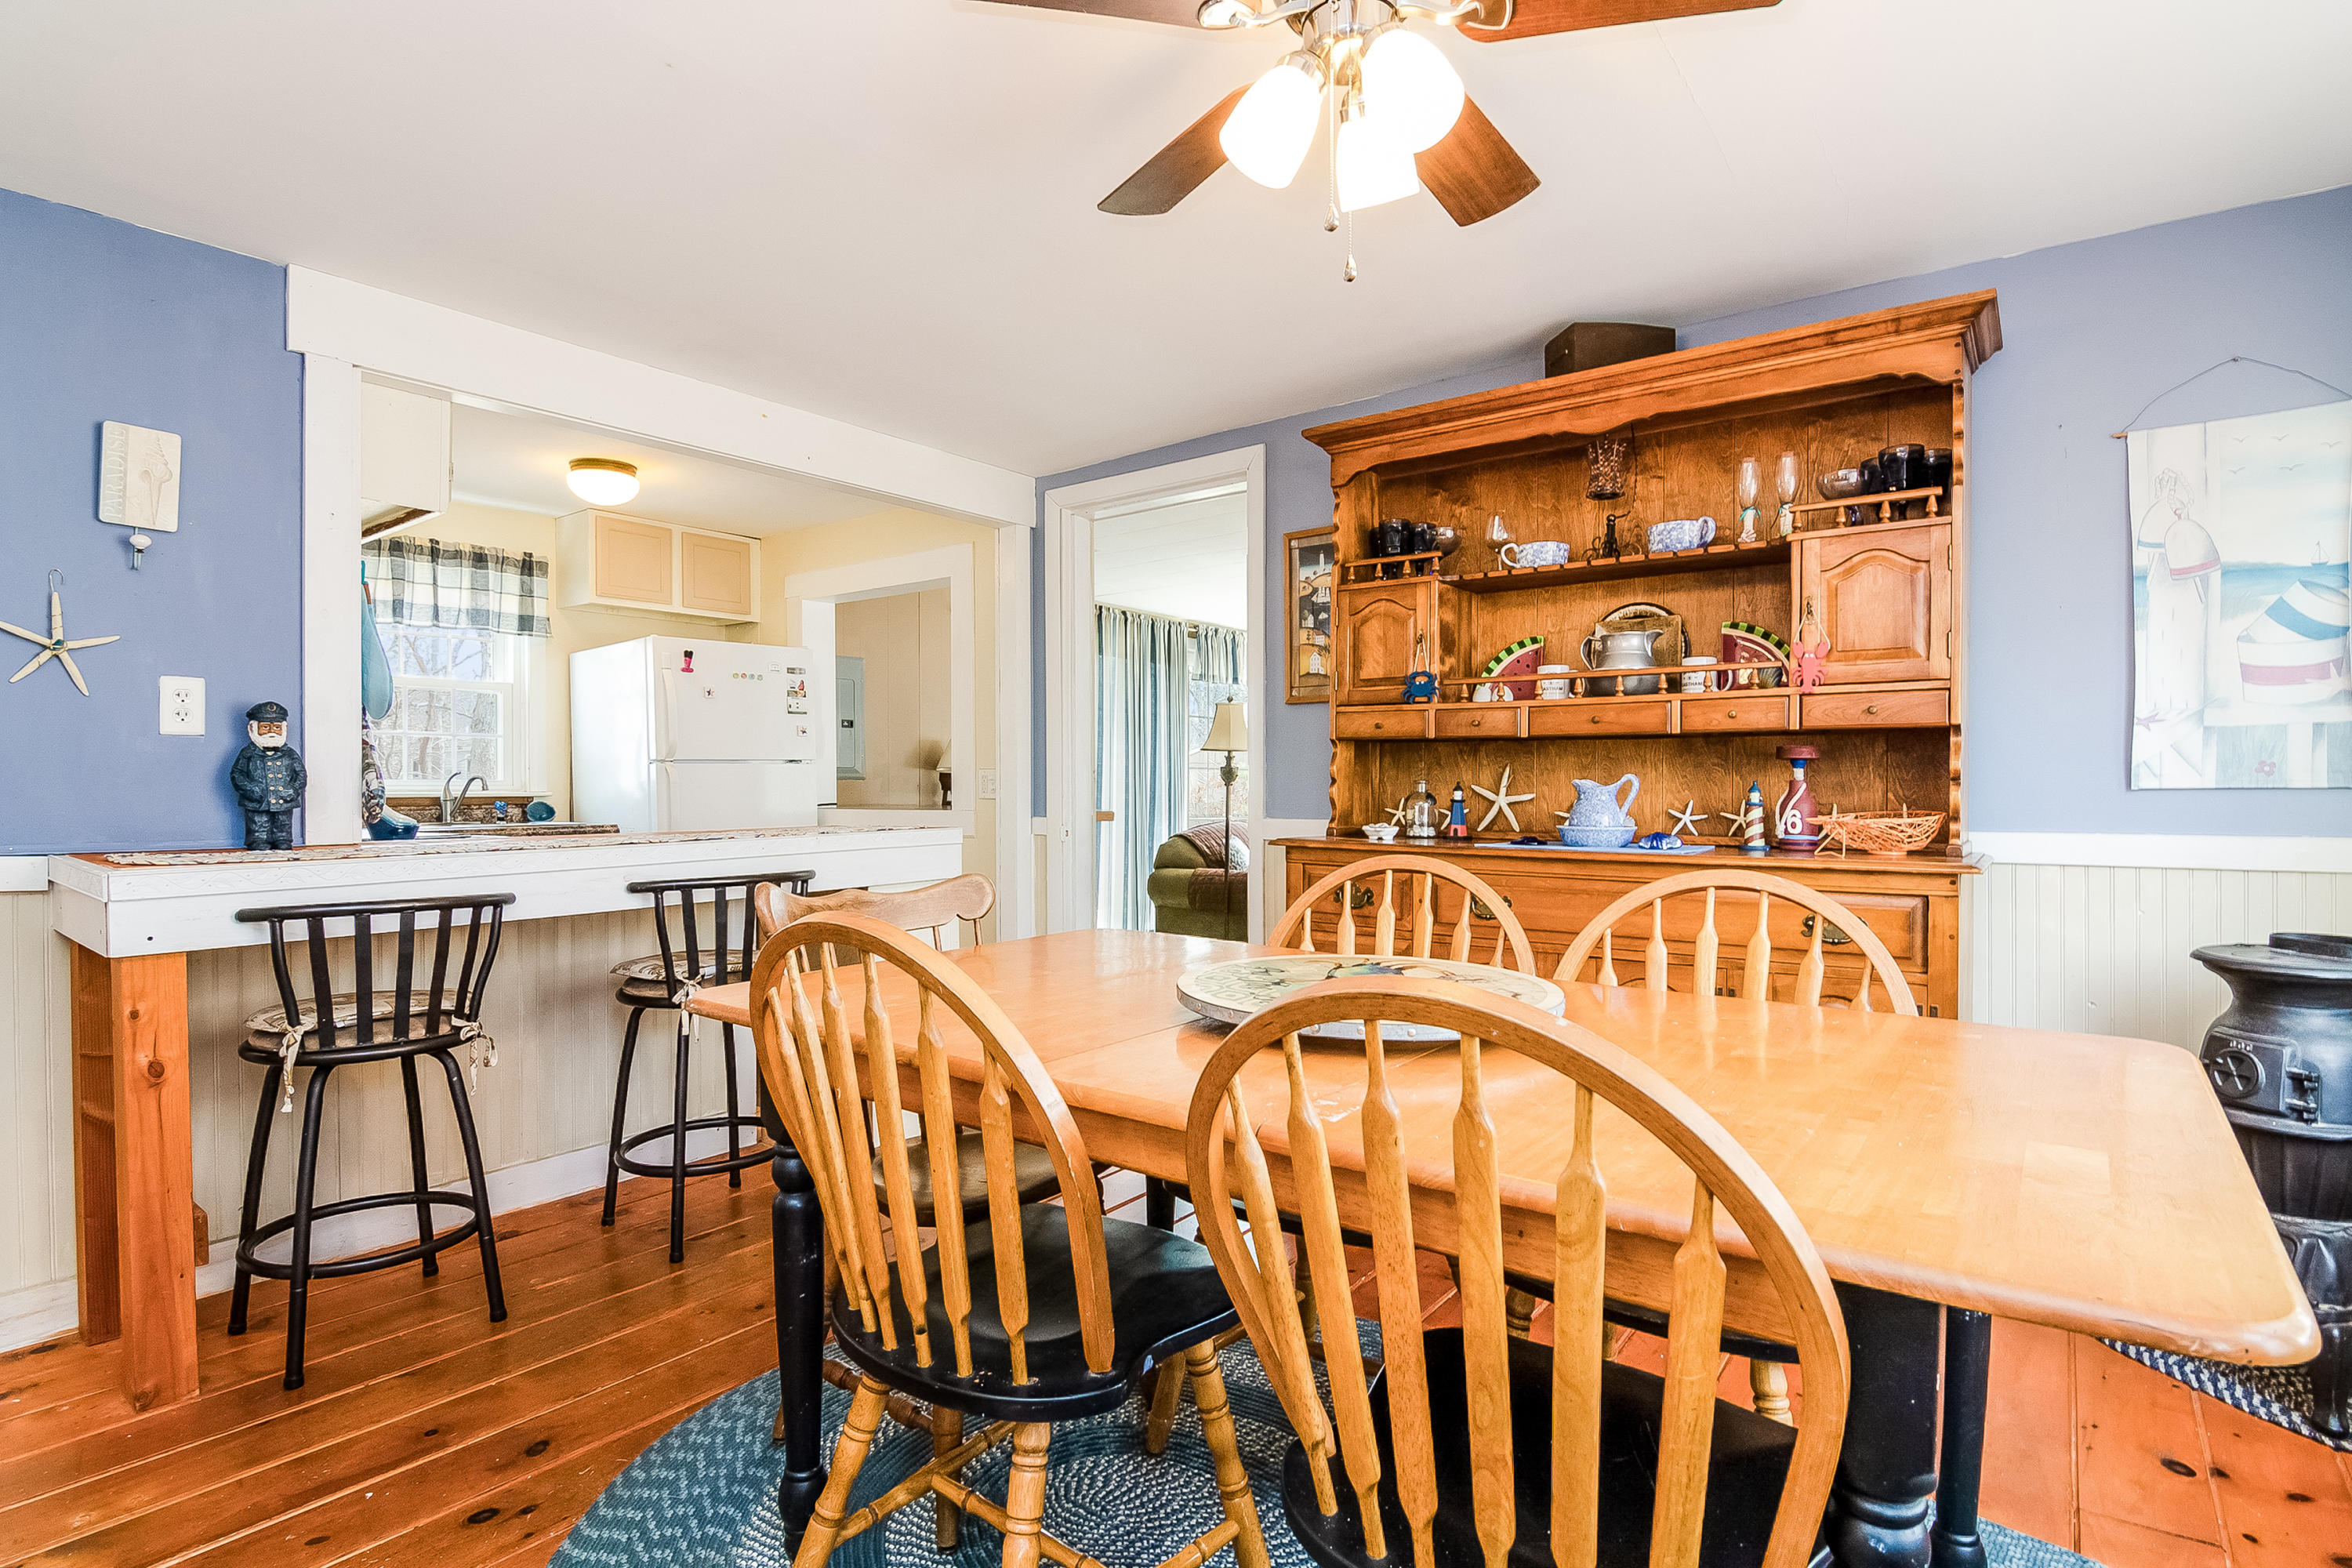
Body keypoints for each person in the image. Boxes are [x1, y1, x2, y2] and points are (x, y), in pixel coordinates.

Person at [230, 699, 307, 851]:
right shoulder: (248, 753)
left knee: (283, 824)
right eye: (265, 727)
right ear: (253, 728)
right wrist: (250, 790)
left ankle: (282, 840)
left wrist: (293, 790)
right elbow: (237, 774)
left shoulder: (290, 754)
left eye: (277, 727)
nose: (272, 732)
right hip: (257, 802)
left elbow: (301, 774)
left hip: (284, 800)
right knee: (258, 824)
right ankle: (258, 840)